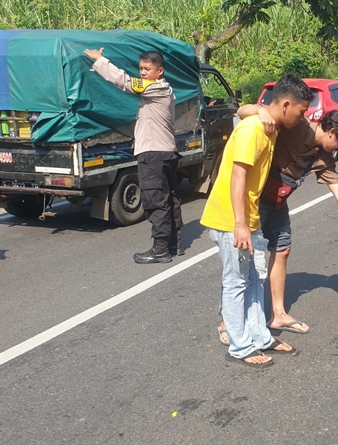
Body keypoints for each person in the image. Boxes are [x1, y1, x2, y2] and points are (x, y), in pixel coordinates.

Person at [218, 107, 338, 340]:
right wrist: (259, 112)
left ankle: (278, 313)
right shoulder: (295, 125)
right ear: (332, 132)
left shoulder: (322, 158)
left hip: (277, 203)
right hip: (255, 199)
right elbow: (243, 110)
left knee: (282, 249)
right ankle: (227, 322)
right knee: (243, 258)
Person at [200, 74, 312, 367]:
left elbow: (245, 109)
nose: (303, 118)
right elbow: (238, 175)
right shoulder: (254, 131)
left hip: (247, 217)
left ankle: (260, 337)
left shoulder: (269, 128)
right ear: (286, 105)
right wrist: (239, 224)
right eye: (301, 111)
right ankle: (240, 347)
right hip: (230, 218)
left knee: (252, 280)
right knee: (236, 282)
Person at [84, 48, 183, 264]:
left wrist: (100, 60)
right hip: (165, 152)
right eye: (141, 68)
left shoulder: (156, 89)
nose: (143, 72)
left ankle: (161, 249)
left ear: (160, 71)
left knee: (155, 201)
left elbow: (125, 82)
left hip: (154, 154)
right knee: (168, 199)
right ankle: (173, 243)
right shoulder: (165, 90)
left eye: (147, 69)